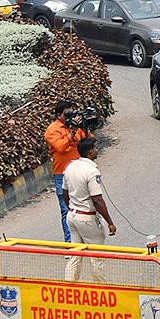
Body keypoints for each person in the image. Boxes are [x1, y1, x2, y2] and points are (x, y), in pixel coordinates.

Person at [61, 136, 116, 282]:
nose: (98, 150)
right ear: (91, 152)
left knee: (75, 255)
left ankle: (68, 288)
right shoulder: (92, 171)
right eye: (96, 148)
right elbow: (97, 200)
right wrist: (110, 222)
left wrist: (72, 208)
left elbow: (64, 193)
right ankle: (101, 291)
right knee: (97, 257)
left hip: (72, 216)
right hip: (87, 218)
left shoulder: (69, 167)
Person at [45, 100, 91, 243]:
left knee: (88, 205)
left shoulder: (76, 128)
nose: (70, 116)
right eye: (67, 114)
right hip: (63, 175)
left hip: (80, 172)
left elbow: (90, 143)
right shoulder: (52, 130)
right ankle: (71, 244)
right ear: (59, 115)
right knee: (67, 211)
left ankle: (88, 240)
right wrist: (71, 132)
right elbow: (60, 147)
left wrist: (83, 127)